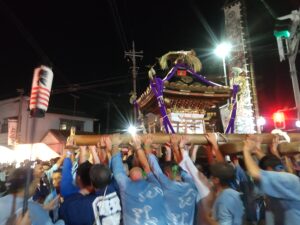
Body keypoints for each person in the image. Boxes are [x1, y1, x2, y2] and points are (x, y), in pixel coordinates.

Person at [109, 134, 167, 225]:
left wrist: (114, 145)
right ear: (144, 177)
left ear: (129, 179)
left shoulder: (126, 187)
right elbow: (146, 167)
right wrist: (138, 147)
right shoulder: (156, 186)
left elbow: (118, 171)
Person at [243, 136, 300, 225]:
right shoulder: (288, 178)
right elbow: (271, 163)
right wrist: (257, 150)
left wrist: (246, 150)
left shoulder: (287, 179)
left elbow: (256, 173)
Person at [145, 134, 199, 225]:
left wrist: (146, 145)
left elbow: (155, 168)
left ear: (167, 174)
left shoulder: (167, 185)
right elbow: (183, 169)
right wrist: (176, 147)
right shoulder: (192, 184)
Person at [0, 167, 64, 225]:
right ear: (29, 185)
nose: (36, 184)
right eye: (35, 181)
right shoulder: (33, 208)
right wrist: (61, 222)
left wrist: (43, 208)